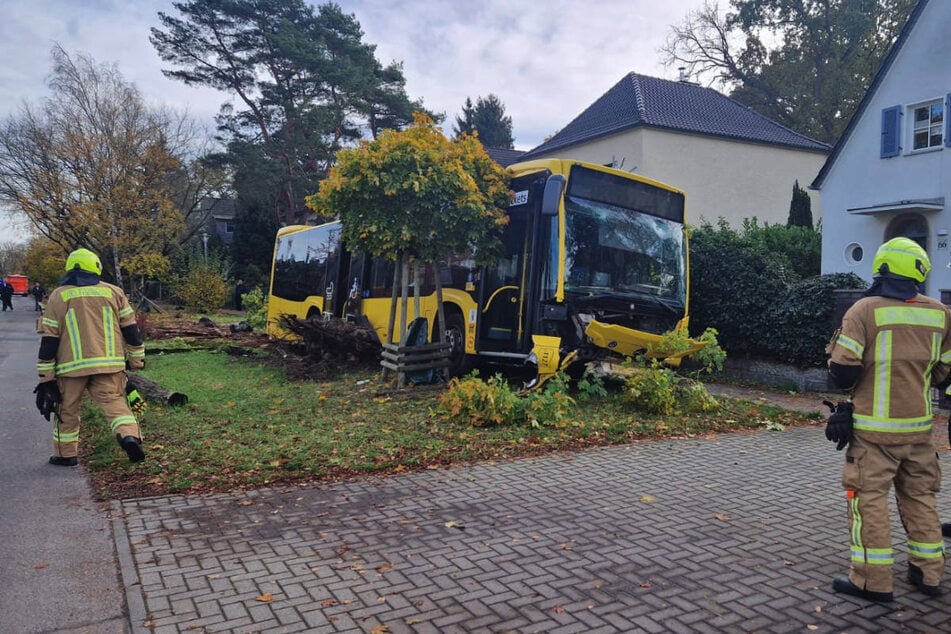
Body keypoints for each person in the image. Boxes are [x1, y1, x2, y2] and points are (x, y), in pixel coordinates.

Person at [825, 237, 950, 602]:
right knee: (920, 498)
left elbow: (843, 372)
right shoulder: (941, 314)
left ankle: (872, 581)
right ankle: (928, 573)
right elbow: (944, 372)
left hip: (873, 433)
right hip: (920, 431)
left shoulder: (864, 310)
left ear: (881, 268)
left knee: (868, 501)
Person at [33, 248, 147, 466]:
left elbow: (49, 340)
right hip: (109, 365)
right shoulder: (114, 292)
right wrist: (136, 360)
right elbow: (132, 331)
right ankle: (129, 437)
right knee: (115, 404)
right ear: (96, 267)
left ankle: (66, 455)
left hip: (70, 368)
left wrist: (45, 377)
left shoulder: (58, 296)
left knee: (67, 410)